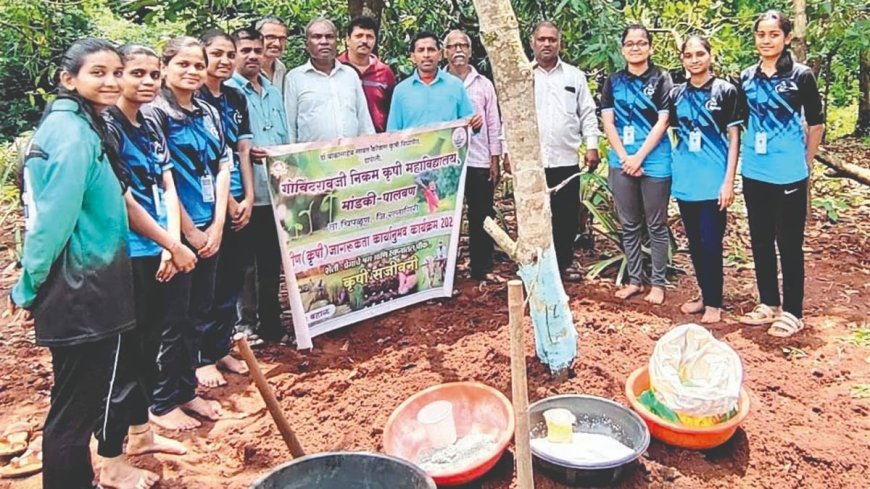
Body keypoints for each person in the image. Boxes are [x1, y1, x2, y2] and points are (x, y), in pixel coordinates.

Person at [9, 38, 177, 489]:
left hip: (92, 285)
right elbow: (51, 222)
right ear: (69, 79)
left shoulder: (85, 126)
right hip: (79, 289)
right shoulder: (70, 135)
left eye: (114, 72)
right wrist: (26, 286)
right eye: (97, 72)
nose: (111, 81)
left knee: (77, 408)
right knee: (72, 414)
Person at [104, 43, 214, 432]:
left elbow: (166, 184)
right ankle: (157, 407)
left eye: (152, 74)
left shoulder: (147, 123)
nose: (147, 81)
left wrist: (172, 244)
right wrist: (173, 242)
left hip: (166, 246)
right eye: (138, 73)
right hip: (131, 251)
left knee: (179, 322)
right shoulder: (109, 127)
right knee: (145, 340)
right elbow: (125, 198)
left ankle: (180, 393)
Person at [142, 37, 231, 397]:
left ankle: (187, 391)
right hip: (175, 233)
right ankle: (164, 400)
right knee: (172, 321)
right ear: (166, 68)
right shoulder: (154, 113)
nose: (193, 71)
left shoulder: (207, 110)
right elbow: (163, 179)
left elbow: (223, 164)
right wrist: (190, 232)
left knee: (200, 311)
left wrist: (218, 224)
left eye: (198, 64)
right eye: (184, 64)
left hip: (210, 225)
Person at [737, 10, 824, 337]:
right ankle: (769, 303)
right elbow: (742, 120)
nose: (766, 40)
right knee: (759, 240)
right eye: (761, 34)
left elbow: (816, 123)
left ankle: (793, 311)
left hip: (789, 174)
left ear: (786, 38)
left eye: (773, 34)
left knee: (788, 243)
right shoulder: (746, 77)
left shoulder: (801, 76)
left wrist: (806, 161)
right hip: (754, 171)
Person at [669, 36, 741, 324]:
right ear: (682, 59)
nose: (694, 59)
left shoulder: (726, 91)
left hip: (714, 182)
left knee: (712, 242)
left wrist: (729, 181)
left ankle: (715, 302)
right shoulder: (677, 95)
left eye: (700, 53)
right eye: (688, 55)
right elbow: (675, 136)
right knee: (696, 244)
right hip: (687, 182)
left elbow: (734, 138)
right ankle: (703, 293)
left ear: (710, 55)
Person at [226, 27, 291, 343]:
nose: (252, 56)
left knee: (271, 261)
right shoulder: (228, 92)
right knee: (244, 265)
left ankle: (272, 322)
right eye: (245, 50)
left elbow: (285, 138)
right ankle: (245, 323)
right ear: (234, 54)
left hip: (275, 190)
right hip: (244, 192)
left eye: (257, 49)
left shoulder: (274, 92)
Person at [195, 30, 253, 385]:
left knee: (231, 279)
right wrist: (228, 202)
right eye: (216, 54)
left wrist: (247, 195)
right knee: (206, 285)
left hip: (239, 201)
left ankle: (220, 348)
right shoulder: (192, 100)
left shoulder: (235, 97)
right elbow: (207, 159)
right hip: (207, 208)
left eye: (229, 54)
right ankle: (200, 357)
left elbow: (242, 151)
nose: (224, 60)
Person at [601, 24, 673, 305]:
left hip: (654, 160)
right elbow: (608, 121)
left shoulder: (662, 78)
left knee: (656, 225)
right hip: (621, 160)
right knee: (629, 224)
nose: (635, 48)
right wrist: (624, 157)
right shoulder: (613, 81)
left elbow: (663, 120)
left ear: (650, 47)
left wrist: (639, 157)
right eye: (630, 43)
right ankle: (634, 280)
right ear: (622, 49)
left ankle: (657, 283)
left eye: (641, 43)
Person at [531, 21, 601, 282]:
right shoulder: (524, 75)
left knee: (565, 216)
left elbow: (587, 113)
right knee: (535, 217)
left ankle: (564, 264)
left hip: (566, 160)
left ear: (559, 43)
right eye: (542, 39)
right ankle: (536, 267)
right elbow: (511, 117)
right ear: (532, 43)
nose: (547, 44)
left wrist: (592, 145)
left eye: (552, 39)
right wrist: (506, 151)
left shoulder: (574, 76)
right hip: (533, 162)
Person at [443, 29, 504, 282]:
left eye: (463, 45)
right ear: (444, 52)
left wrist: (495, 159)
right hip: (447, 161)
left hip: (479, 160)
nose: (458, 50)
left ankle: (482, 268)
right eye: (452, 46)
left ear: (470, 50)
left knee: (482, 213)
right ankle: (447, 272)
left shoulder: (484, 84)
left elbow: (493, 123)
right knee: (448, 218)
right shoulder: (438, 83)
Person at [284, 18, 374, 143]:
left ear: (337, 42)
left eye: (329, 37)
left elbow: (364, 120)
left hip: (351, 156)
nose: (324, 42)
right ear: (307, 44)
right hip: (312, 159)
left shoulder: (350, 75)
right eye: (317, 37)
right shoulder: (295, 78)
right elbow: (289, 127)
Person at [386, 31, 479, 131]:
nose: (426, 55)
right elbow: (392, 132)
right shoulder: (401, 91)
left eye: (431, 50)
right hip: (413, 147)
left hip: (448, 146)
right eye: (421, 50)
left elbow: (468, 124)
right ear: (413, 57)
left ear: (440, 55)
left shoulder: (456, 85)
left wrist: (476, 125)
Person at [337, 15, 397, 133]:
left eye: (369, 37)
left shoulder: (385, 72)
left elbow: (392, 110)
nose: (364, 41)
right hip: (344, 144)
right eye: (359, 36)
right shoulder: (336, 69)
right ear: (348, 39)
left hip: (378, 142)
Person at [256, 16, 289, 98]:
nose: (277, 43)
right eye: (270, 37)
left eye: (282, 38)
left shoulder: (281, 69)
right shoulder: (247, 68)